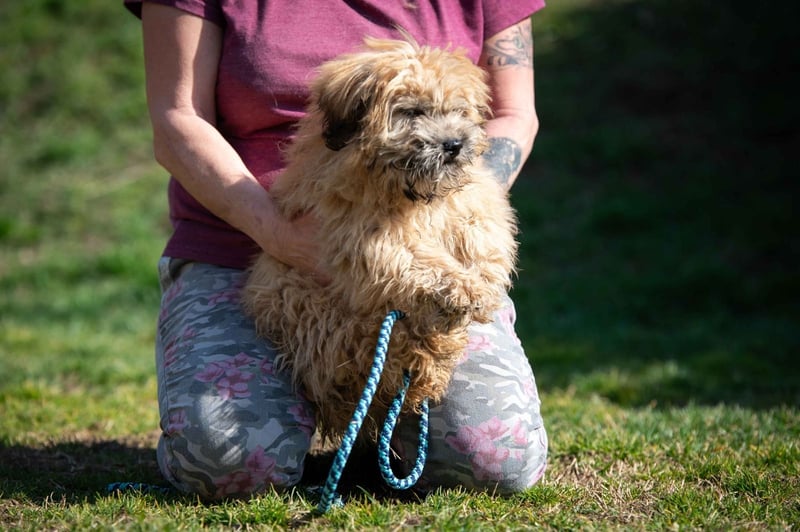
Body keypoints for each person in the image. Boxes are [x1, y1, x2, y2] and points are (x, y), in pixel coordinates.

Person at [124, 0, 547, 500]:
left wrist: (450, 220)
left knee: (494, 462)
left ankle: (380, 440)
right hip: (239, 253)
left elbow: (513, 115)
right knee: (231, 464)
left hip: (432, 260)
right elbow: (178, 119)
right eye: (412, 114)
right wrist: (282, 236)